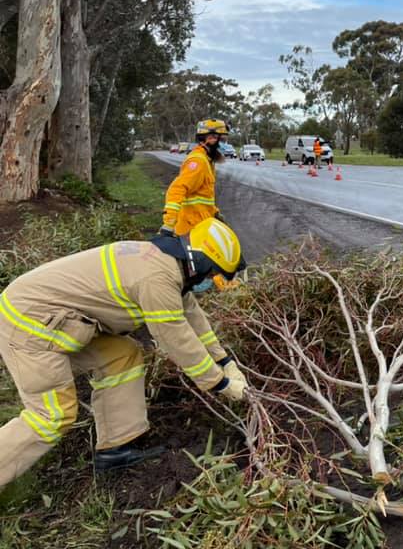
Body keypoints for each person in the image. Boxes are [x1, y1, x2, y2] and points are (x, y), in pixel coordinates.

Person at [0, 218, 249, 489]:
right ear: (200, 263)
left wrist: (224, 360)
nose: (211, 283)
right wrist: (220, 383)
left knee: (122, 355)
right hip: (29, 325)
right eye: (214, 274)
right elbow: (175, 337)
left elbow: (192, 316)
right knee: (52, 416)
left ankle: (115, 450)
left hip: (52, 319)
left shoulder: (167, 262)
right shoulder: (157, 279)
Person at [161, 119, 230, 237]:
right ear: (211, 138)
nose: (224, 144)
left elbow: (203, 195)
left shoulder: (207, 160)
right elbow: (177, 189)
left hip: (201, 225)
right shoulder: (198, 161)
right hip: (190, 230)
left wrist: (215, 212)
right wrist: (169, 222)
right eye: (222, 139)